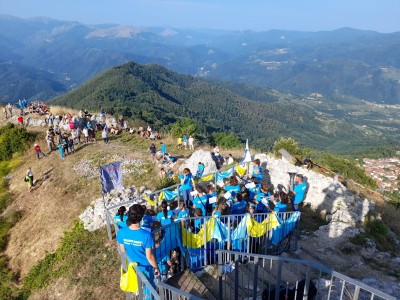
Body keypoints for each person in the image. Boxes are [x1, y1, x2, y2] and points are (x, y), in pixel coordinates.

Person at [117, 204, 160, 289]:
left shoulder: (121, 232)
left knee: (138, 287)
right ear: (141, 217)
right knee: (149, 289)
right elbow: (149, 256)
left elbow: (123, 250)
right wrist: (156, 268)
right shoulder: (147, 236)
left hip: (132, 266)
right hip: (145, 268)